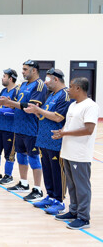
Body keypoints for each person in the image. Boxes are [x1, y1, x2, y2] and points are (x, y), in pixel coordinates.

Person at [24, 68, 72, 214]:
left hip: (56, 140)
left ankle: (59, 201)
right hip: (44, 139)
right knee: (48, 170)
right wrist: (36, 111)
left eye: (48, 79)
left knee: (57, 171)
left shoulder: (65, 95)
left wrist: (39, 111)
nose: (45, 82)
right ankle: (50, 196)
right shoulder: (51, 95)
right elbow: (45, 115)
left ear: (56, 79)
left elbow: (58, 117)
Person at [52, 77, 98, 230]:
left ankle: (84, 218)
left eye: (71, 87)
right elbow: (69, 126)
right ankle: (73, 211)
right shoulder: (72, 105)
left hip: (80, 154)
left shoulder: (90, 106)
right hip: (67, 152)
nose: (68, 89)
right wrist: (61, 132)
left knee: (82, 187)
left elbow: (88, 130)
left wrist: (65, 134)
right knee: (72, 185)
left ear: (78, 88)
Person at [0, 60, 47, 202]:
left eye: (25, 69)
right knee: (21, 156)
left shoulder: (39, 85)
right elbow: (15, 104)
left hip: (32, 129)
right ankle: (24, 183)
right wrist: (6, 102)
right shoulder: (23, 85)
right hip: (18, 127)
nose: (23, 72)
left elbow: (31, 106)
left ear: (34, 70)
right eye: (23, 69)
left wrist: (10, 103)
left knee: (34, 158)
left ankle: (37, 189)